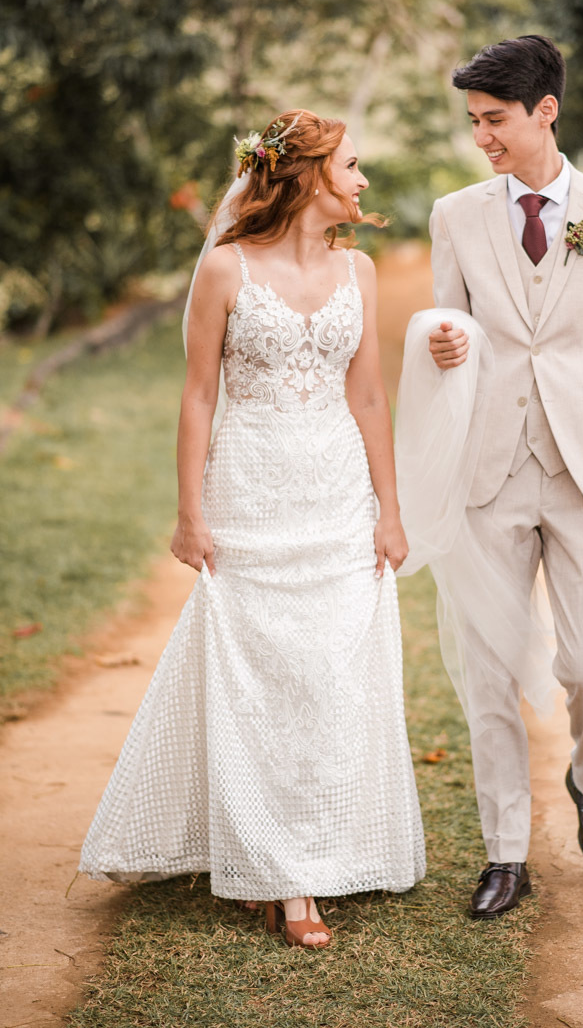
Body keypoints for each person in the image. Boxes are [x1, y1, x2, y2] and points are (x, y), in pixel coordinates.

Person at [79, 110, 426, 948]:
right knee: (256, 676)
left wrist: (390, 507)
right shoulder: (227, 270)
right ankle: (279, 873)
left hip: (337, 492)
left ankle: (319, 844)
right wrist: (189, 510)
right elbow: (199, 394)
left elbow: (369, 395)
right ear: (304, 173)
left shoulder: (362, 272)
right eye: (351, 164)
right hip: (251, 488)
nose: (363, 179)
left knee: (330, 675)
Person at [426, 35, 583, 919]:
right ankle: (504, 855)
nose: (481, 138)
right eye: (473, 123)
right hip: (486, 471)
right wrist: (442, 341)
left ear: (545, 111)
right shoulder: (453, 214)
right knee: (488, 673)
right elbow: (441, 328)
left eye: (494, 121)